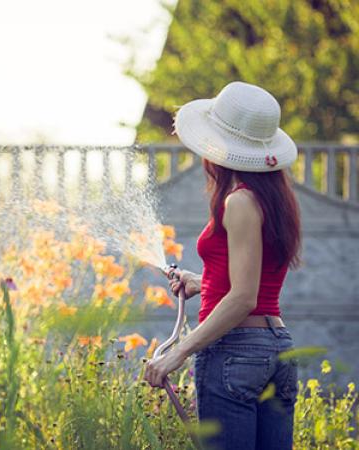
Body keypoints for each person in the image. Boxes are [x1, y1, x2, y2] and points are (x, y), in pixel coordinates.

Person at [142, 81, 301, 450]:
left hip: (236, 352)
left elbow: (244, 298)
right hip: (277, 348)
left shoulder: (239, 202)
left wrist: (177, 353)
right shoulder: (273, 199)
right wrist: (203, 282)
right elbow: (254, 284)